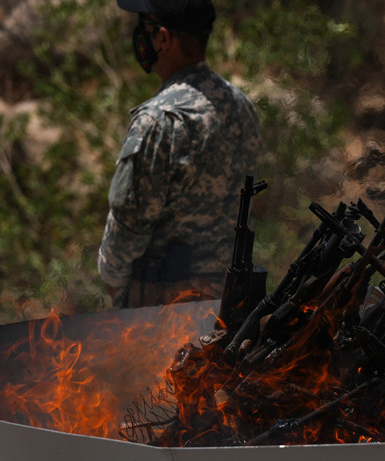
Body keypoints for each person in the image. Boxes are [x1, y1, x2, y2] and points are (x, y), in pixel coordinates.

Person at [98, 0, 262, 308]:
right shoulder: (242, 107)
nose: (138, 36)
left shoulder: (158, 118)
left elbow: (128, 222)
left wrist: (114, 283)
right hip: (227, 302)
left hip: (160, 311)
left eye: (143, 26)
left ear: (162, 38)